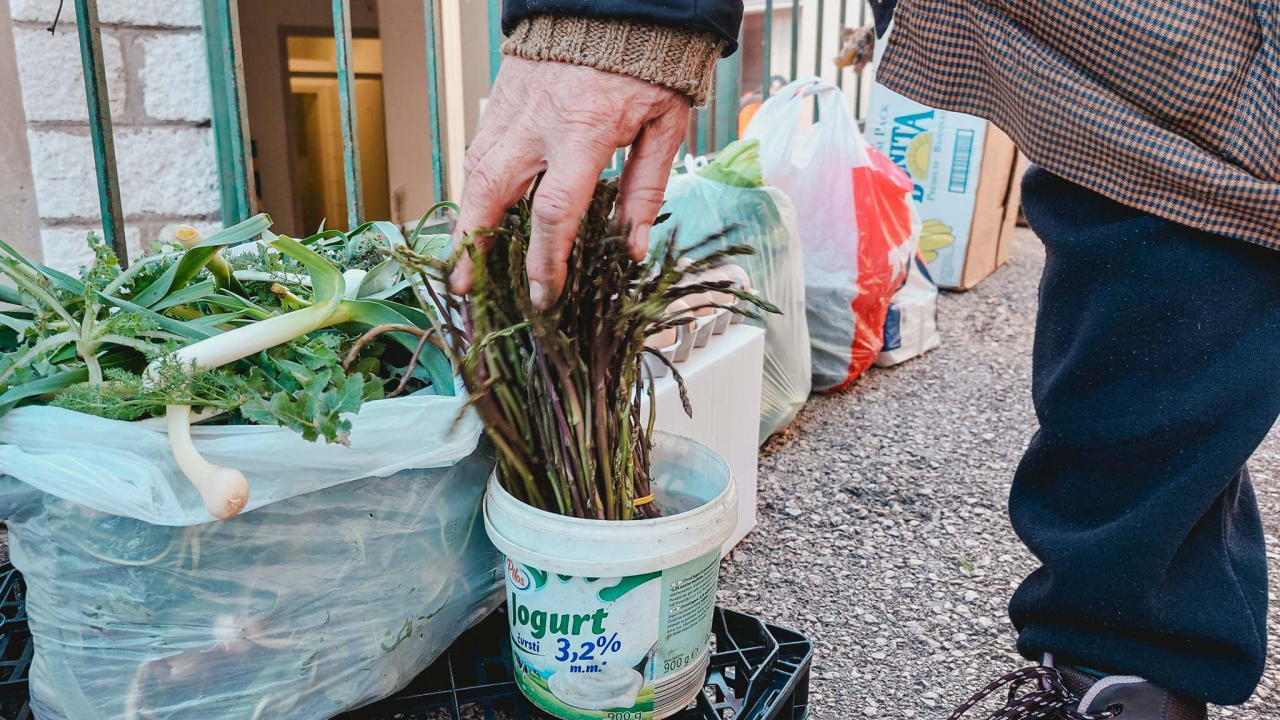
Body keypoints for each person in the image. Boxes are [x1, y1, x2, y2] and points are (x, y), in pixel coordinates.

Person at [454, 2, 1280, 719]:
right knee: (1158, 240)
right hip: (1163, 78)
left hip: (1197, 68)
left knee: (1177, 241)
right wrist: (620, 13)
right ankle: (1125, 674)